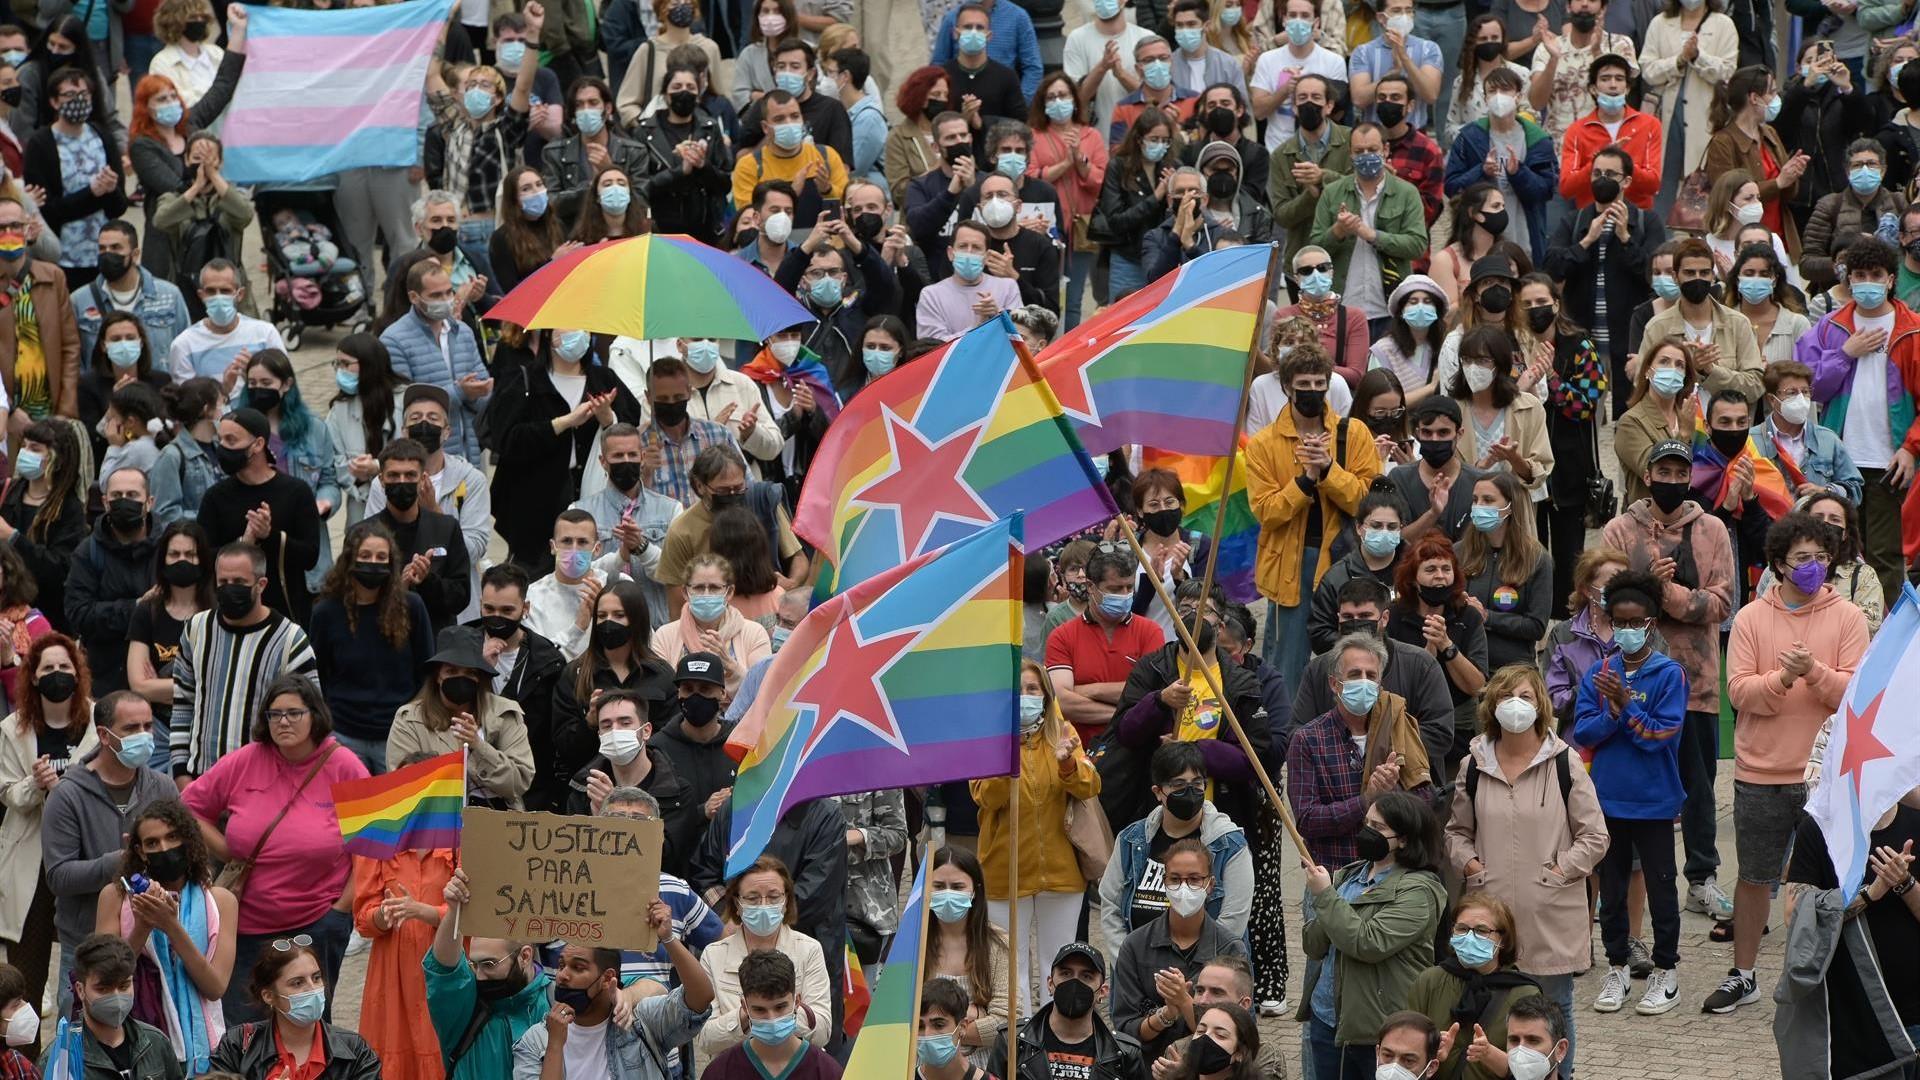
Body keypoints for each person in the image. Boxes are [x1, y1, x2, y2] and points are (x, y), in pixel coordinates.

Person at [1707, 512, 1866, 1015]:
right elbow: (1740, 694)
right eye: (1802, 559)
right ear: (1778, 564)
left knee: (1832, 881)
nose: (1814, 567)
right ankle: (1744, 974)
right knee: (1754, 877)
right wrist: (1783, 679)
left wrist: (1814, 672)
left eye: (1822, 558)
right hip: (1761, 774)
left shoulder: (1849, 618)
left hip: (1826, 774)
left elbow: (1854, 695)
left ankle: (1838, 973)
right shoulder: (1752, 618)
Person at [1445, 664, 1606, 1067]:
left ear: (1540, 705)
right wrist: (1471, 866)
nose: (1515, 705)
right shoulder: (1474, 766)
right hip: (1490, 919)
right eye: (1505, 696)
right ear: (1491, 706)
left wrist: (1560, 870)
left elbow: (1595, 836)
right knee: (1496, 1015)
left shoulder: (1565, 764)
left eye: (1525, 696)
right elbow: (1455, 833)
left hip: (1551, 913)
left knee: (1554, 1012)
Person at [182, 675, 366, 1022]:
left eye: (294, 713)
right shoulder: (246, 760)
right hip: (245, 928)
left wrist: (341, 912)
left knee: (306, 1027)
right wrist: (227, 850)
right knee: (244, 1032)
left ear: (315, 714)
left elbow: (369, 848)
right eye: (274, 714)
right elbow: (189, 807)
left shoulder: (344, 766)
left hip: (316, 926)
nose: (283, 722)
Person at [1571, 568, 1687, 1016]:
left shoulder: (1668, 673)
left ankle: (1666, 972)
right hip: (1608, 802)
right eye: (1618, 621)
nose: (1626, 629)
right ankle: (1617, 967)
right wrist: (1615, 712)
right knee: (1612, 891)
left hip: (1655, 801)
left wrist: (1624, 710)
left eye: (1635, 622)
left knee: (1661, 888)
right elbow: (1585, 732)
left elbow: (1664, 735)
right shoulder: (1600, 673)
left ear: (1650, 624)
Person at [1246, 341, 1381, 686]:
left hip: (1345, 557)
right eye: (1303, 385)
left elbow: (1369, 503)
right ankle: (1284, 736)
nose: (1312, 391)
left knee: (1356, 655)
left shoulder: (1353, 434)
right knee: (1285, 666)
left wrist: (1328, 470)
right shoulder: (1263, 444)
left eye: (1319, 383)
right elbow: (1266, 512)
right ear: (1287, 387)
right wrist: (1305, 482)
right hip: (1291, 563)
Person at [971, 659, 1097, 1014]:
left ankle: (1057, 1036)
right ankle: (1019, 1042)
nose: (1024, 696)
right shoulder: (990, 738)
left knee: (1057, 964)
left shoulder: (1063, 731)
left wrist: (1067, 764)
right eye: (1017, 690)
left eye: (1032, 689)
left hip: (1062, 871)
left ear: (1044, 695)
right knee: (1012, 969)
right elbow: (986, 797)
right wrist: (1006, 752)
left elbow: (1090, 787)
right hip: (1003, 872)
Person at [1800, 236, 1920, 604]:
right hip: (1838, 461)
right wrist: (1845, 354)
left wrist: (1910, 449)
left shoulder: (1913, 329)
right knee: (1831, 551)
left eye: (1875, 274)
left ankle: (1881, 643)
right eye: (1859, 274)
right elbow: (1809, 388)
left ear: (1890, 278)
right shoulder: (1829, 328)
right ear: (1848, 278)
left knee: (1885, 556)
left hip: (1890, 464)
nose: (1867, 281)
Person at [1301, 790, 1448, 1079]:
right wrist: (1325, 899)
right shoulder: (1348, 875)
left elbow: (1367, 943)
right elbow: (1314, 946)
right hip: (1327, 1018)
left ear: (1404, 839)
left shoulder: (1419, 891)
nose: (1367, 832)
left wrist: (1326, 897)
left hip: (1378, 1030)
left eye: (1378, 828)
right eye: (1366, 823)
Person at [95, 798, 237, 1074]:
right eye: (152, 843)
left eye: (172, 837)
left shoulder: (221, 901)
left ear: (189, 840)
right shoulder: (114, 897)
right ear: (140, 851)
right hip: (133, 1037)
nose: (164, 848)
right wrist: (143, 926)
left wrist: (171, 926)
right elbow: (106, 975)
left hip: (203, 1048)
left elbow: (215, 987)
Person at [0, 633, 97, 1014]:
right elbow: (8, 793)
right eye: (48, 668)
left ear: (78, 673)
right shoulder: (14, 728)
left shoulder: (96, 721)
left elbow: (107, 788)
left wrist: (68, 786)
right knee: (26, 973)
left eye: (64, 667)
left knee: (86, 967)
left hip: (82, 857)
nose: (57, 674)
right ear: (34, 677)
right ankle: (23, 1062)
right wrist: (35, 784)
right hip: (32, 861)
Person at [167, 543, 317, 781]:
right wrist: (181, 775)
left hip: (262, 785)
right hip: (201, 780)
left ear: (261, 585)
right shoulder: (196, 629)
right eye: (223, 583)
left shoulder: (291, 641)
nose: (229, 590)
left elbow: (308, 721)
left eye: (238, 583)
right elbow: (183, 704)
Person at [1099, 740, 1254, 951]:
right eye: (1178, 785)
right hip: (1136, 974)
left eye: (1197, 783)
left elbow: (1232, 920)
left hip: (1207, 974)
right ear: (1158, 791)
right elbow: (1111, 907)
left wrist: (1191, 977)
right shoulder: (1131, 840)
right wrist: (1130, 965)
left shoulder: (1229, 845)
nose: (1189, 792)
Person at [307, 521, 434, 774]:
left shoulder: (412, 606)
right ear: (349, 560)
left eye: (380, 557)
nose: (373, 563)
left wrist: (410, 722)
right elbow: (317, 676)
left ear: (391, 563)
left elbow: (426, 672)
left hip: (398, 736)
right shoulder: (326, 612)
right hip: (343, 735)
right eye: (364, 556)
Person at [348, 774, 453, 1080]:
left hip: (444, 970)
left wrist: (422, 911)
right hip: (392, 975)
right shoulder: (378, 839)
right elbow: (363, 920)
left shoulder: (459, 842)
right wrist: (383, 915)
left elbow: (472, 913)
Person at [1109, 837, 1248, 1064]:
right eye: (1175, 879)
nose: (1184, 888)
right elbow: (1126, 1030)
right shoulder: (1136, 945)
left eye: (1194, 879)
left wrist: (1184, 1002)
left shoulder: (1229, 948)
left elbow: (1237, 1033)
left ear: (1210, 884)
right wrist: (1166, 1015)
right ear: (1164, 883)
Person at [365, 385, 492, 622]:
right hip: (396, 609)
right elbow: (371, 542)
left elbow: (474, 549)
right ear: (404, 431)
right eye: (416, 418)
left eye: (432, 418)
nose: (424, 423)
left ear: (446, 432)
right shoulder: (382, 483)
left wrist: (435, 515)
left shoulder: (471, 480)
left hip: (455, 612)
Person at [693, 855, 831, 1058]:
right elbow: (705, 1039)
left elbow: (823, 1030)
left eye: (774, 897)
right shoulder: (714, 955)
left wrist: (784, 1017)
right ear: (737, 904)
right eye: (752, 898)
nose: (764, 905)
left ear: (786, 902)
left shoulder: (809, 950)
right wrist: (746, 1017)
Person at [195, 408, 320, 624]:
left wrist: (270, 536)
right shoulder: (216, 497)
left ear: (258, 444)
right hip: (231, 612)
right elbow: (203, 556)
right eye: (221, 440)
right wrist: (244, 543)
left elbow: (310, 556)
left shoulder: (296, 492)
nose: (223, 447)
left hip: (286, 611)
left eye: (231, 440)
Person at [426, 869, 552, 1080]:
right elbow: (443, 970)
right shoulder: (465, 1008)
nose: (480, 976)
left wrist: (629, 993)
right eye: (474, 965)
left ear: (525, 956)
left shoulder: (555, 1000)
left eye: (489, 964)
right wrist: (455, 911)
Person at [1402, 891, 1543, 1080]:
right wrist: (1431, 1054)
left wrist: (1489, 1055)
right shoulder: (1430, 981)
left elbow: (1533, 1071)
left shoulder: (1524, 993)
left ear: (1503, 939)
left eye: (1481, 930)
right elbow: (1403, 1054)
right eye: (1462, 929)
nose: (1469, 937)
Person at [205, 934, 382, 1078]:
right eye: (297, 983)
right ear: (269, 996)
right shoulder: (236, 1046)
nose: (312, 989)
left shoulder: (355, 1051)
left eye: (316, 978)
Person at [1309, 122, 1427, 335]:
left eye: (1372, 150)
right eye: (1359, 151)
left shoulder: (1406, 193)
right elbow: (1314, 251)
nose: (1366, 156)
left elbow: (1417, 245)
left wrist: (1371, 235)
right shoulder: (1332, 193)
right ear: (1350, 154)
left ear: (1386, 150)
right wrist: (1338, 231)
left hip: (1389, 309)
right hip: (1342, 307)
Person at [563, 688, 701, 867]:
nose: (615, 731)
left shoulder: (678, 793)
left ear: (646, 731)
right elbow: (574, 858)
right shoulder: (585, 788)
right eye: (606, 725)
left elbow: (667, 859)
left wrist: (613, 809)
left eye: (625, 723)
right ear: (599, 735)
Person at [1044, 545, 1166, 743]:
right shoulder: (1061, 637)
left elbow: (1151, 695)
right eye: (1115, 589)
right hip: (1082, 758)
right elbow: (1063, 703)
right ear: (1091, 587)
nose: (1125, 595)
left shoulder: (1151, 632)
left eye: (1129, 587)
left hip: (1136, 754)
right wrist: (1128, 714)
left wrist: (1089, 690)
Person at [22, 62, 127, 291]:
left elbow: (119, 206)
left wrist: (109, 190)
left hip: (102, 256)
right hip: (63, 259)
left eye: (83, 94)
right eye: (69, 94)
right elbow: (47, 210)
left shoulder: (103, 136)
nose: (78, 100)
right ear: (54, 101)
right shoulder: (41, 144)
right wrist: (92, 193)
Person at [379, 259, 493, 466]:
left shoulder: (463, 332)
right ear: (414, 297)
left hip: (470, 453)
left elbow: (484, 389)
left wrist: (480, 392)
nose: (446, 300)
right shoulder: (394, 340)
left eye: (449, 292)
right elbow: (404, 404)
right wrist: (460, 392)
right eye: (436, 295)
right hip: (425, 457)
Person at [987, 942, 1146, 1080]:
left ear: (1102, 992)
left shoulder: (1125, 1054)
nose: (1074, 982)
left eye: (1086, 976)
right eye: (1066, 973)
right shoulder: (1012, 1041)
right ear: (1050, 983)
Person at [1639, 0, 1738, 221]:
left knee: (1700, 187)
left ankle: (1696, 244)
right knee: (1662, 185)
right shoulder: (1660, 23)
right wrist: (1679, 60)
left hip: (1706, 119)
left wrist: (1697, 56)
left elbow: (1728, 71)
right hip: (1666, 117)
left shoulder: (1723, 24)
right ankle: (1659, 244)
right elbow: (1647, 69)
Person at [62, 466, 155, 694]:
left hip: (158, 677)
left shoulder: (169, 549)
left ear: (149, 502)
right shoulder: (88, 552)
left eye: (132, 495)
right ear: (105, 502)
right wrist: (136, 607)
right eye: (116, 496)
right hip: (104, 680)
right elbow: (78, 613)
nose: (124, 501)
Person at [1636, 237, 1765, 402]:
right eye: (1689, 273)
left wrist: (1710, 370)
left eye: (1704, 273)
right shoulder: (1657, 327)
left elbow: (1755, 386)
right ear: (1675, 277)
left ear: (1713, 275)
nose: (1697, 279)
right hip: (1675, 425)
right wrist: (1691, 369)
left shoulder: (1738, 324)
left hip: (1726, 425)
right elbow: (1642, 385)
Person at [1701, 65, 1808, 264]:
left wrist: (1792, 176)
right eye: (1772, 92)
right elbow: (1724, 195)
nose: (1776, 98)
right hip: (1740, 243)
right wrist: (1778, 182)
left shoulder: (1769, 134)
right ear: (1754, 98)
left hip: (1779, 239)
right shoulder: (1723, 141)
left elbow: (1787, 192)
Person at [42, 933, 182, 1080]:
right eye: (103, 989)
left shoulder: (156, 1044)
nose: (116, 997)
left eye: (123, 986)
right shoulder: (60, 1060)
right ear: (80, 990)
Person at [919, 846, 1010, 1069]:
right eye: (939, 886)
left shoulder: (998, 943)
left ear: (974, 890)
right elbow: (900, 1014)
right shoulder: (914, 942)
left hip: (983, 1066)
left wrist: (935, 1029)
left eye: (958, 887)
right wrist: (972, 1016)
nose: (948, 893)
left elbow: (1006, 1022)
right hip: (921, 1065)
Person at [1457, 471, 1553, 670]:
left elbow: (1536, 626)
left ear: (1510, 506)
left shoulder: (1536, 558)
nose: (1479, 506)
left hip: (1514, 671)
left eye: (1488, 500)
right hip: (1466, 667)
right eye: (1475, 500)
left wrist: (1486, 617)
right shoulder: (1458, 552)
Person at [633, 63, 735, 247]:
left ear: (698, 94)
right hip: (661, 229)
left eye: (690, 87)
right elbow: (642, 187)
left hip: (705, 230)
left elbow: (725, 183)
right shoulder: (644, 132)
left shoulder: (710, 129)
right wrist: (681, 171)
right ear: (665, 94)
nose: (684, 92)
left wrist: (703, 166)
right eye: (677, 87)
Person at [1757, 491, 1884, 635]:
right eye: (1818, 517)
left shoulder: (1863, 575)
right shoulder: (1776, 570)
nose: (1826, 523)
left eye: (1834, 519)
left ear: (1845, 533)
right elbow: (1760, 617)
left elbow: (1869, 629)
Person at [126, 520, 210, 736]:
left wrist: (160, 685)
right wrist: (198, 686)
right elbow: (139, 686)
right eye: (174, 554)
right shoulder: (147, 611)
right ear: (163, 559)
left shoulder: (217, 612)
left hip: (207, 724)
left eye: (190, 554)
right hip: (159, 729)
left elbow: (221, 686)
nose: (182, 560)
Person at [704, 949, 842, 1080]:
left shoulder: (827, 1072)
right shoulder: (720, 1073)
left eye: (780, 1007)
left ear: (797, 1002)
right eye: (760, 1010)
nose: (772, 1019)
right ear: (745, 1007)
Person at [71, 221, 190, 364]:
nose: (107, 254)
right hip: (101, 385)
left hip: (157, 384)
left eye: (116, 248)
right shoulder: (80, 300)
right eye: (102, 249)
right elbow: (74, 357)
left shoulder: (170, 295)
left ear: (135, 254)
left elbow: (186, 347)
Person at [1094, 110, 1180, 301]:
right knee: (1122, 320)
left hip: (1163, 260)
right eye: (1154, 139)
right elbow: (1116, 220)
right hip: (1127, 259)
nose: (1160, 145)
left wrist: (1172, 201)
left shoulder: (1173, 168)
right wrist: (1155, 197)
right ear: (1139, 139)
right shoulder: (1118, 168)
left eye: (1165, 140)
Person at [1266, 74, 1350, 271]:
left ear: (1329, 106)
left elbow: (1361, 190)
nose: (1309, 102)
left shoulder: (1351, 141)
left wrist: (1323, 178)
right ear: (1294, 107)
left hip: (1345, 258)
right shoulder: (1281, 155)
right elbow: (1281, 215)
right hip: (1302, 261)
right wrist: (1310, 196)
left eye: (1316, 97)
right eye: (1302, 98)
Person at [322, 334, 406, 529]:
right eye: (337, 364)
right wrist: (357, 474)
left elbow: (412, 451)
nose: (340, 371)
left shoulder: (403, 401)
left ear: (369, 365)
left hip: (403, 501)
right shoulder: (339, 409)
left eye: (346, 364)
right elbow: (334, 458)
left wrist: (378, 466)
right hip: (360, 505)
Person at [542, 78, 647, 226]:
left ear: (608, 108)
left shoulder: (634, 151)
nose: (586, 110)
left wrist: (609, 171)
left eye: (593, 103)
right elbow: (551, 204)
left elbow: (641, 204)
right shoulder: (555, 153)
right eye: (579, 105)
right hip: (574, 237)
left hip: (622, 237)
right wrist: (592, 186)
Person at [1801, 138, 1903, 290]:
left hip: (1892, 293)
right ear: (1848, 172)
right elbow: (1807, 264)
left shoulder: (1900, 203)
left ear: (1883, 170)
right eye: (1857, 165)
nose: (1865, 169)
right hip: (1839, 297)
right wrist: (1847, 260)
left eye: (1871, 164)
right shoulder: (1829, 206)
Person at [164, 259, 284, 382]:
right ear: (201, 295)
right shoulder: (184, 345)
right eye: (211, 291)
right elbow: (187, 397)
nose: (218, 297)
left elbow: (285, 383)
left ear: (240, 294)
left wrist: (256, 374)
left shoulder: (265, 334)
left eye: (225, 291)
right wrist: (223, 393)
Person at [1271, 243, 1369, 388]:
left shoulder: (1354, 317)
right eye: (1306, 271)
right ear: (1296, 279)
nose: (1316, 275)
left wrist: (1304, 362)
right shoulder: (1284, 315)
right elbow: (1277, 368)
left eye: (1322, 268)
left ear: (1331, 272)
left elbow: (1356, 376)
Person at [1347, 0, 1443, 130]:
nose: (1404, 16)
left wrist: (1404, 58)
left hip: (1416, 133)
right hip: (1375, 134)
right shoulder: (1363, 52)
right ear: (1381, 18)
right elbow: (1359, 100)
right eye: (1396, 11)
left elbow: (1431, 95)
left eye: (1408, 10)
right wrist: (1392, 74)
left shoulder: (1428, 48)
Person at [1444, 15, 1529, 143]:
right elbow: (1450, 129)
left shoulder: (1521, 74)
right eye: (1483, 39)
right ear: (1474, 42)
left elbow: (1533, 118)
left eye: (1495, 38)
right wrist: (1474, 134)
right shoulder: (1461, 82)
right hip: (1474, 154)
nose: (1489, 42)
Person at [490, 166, 570, 294]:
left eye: (539, 185)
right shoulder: (502, 238)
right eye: (526, 189)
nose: (536, 192)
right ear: (514, 199)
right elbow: (511, 289)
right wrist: (551, 263)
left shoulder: (558, 225)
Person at [1731, 244, 1812, 368]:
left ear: (1774, 280)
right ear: (1737, 279)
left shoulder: (1797, 324)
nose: (1756, 279)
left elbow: (1807, 373)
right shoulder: (1724, 322)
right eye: (1749, 273)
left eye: (1764, 274)